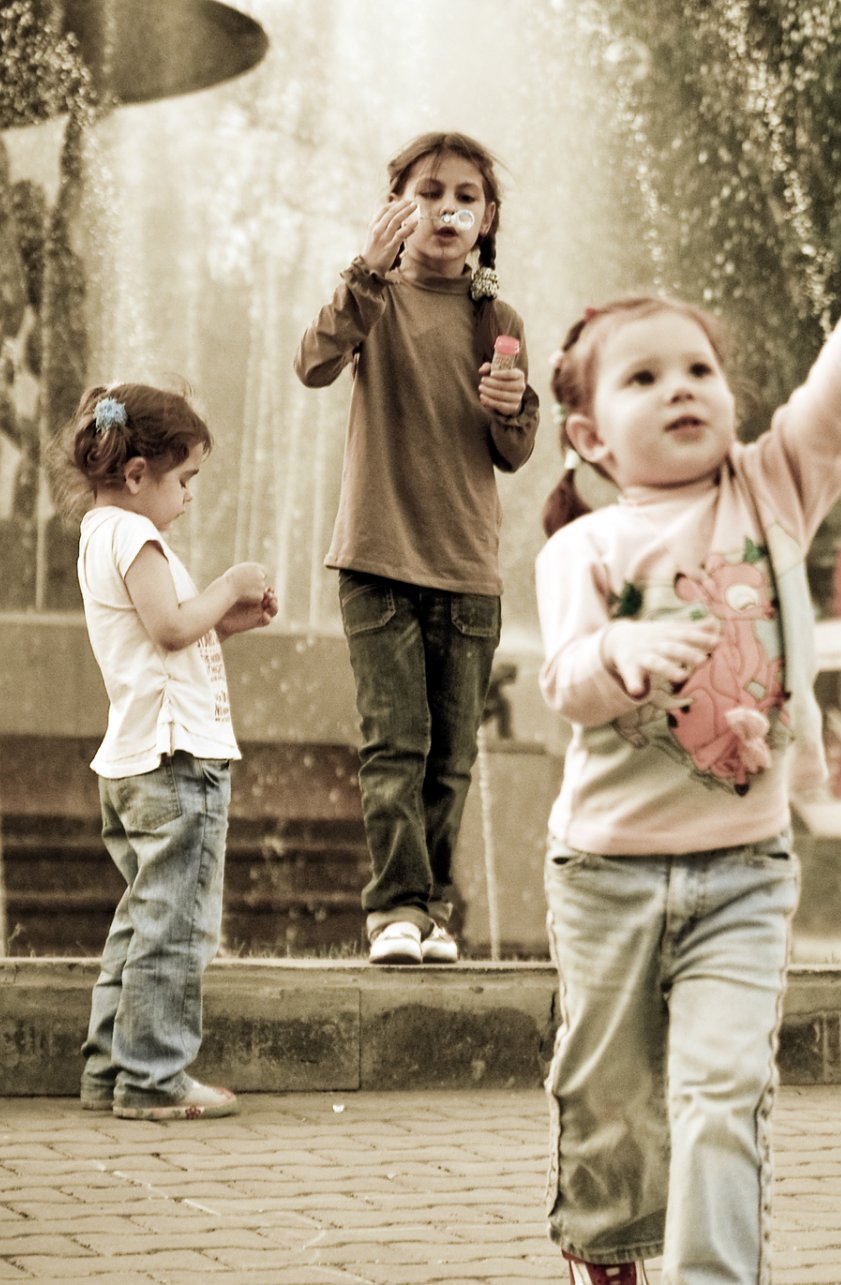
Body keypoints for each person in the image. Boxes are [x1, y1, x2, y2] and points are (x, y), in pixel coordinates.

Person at [535, 152, 841, 1284]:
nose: (683, 388)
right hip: (607, 871)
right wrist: (624, 651)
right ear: (586, 438)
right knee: (611, 1106)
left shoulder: (771, 488)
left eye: (700, 369)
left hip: (743, 868)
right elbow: (567, 681)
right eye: (643, 379)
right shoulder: (583, 549)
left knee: (723, 1092)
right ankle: (606, 1251)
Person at [294, 131, 541, 966]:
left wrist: (512, 406)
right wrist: (363, 269)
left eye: (465, 196)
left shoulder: (496, 319)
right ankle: (393, 909)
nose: (447, 208)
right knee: (394, 743)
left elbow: (512, 451)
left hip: (468, 567)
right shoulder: (378, 299)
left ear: (488, 217)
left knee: (452, 756)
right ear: (397, 205)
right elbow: (314, 363)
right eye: (428, 191)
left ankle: (432, 912)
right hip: (377, 559)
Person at [55, 382, 277, 1121]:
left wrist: (227, 619)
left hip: (136, 756)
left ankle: (110, 1067)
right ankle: (153, 1076)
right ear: (138, 473)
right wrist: (229, 584)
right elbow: (173, 629)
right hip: (177, 759)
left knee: (141, 917)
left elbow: (173, 632)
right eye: (184, 480)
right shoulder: (135, 535)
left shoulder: (100, 534)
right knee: (177, 924)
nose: (188, 498)